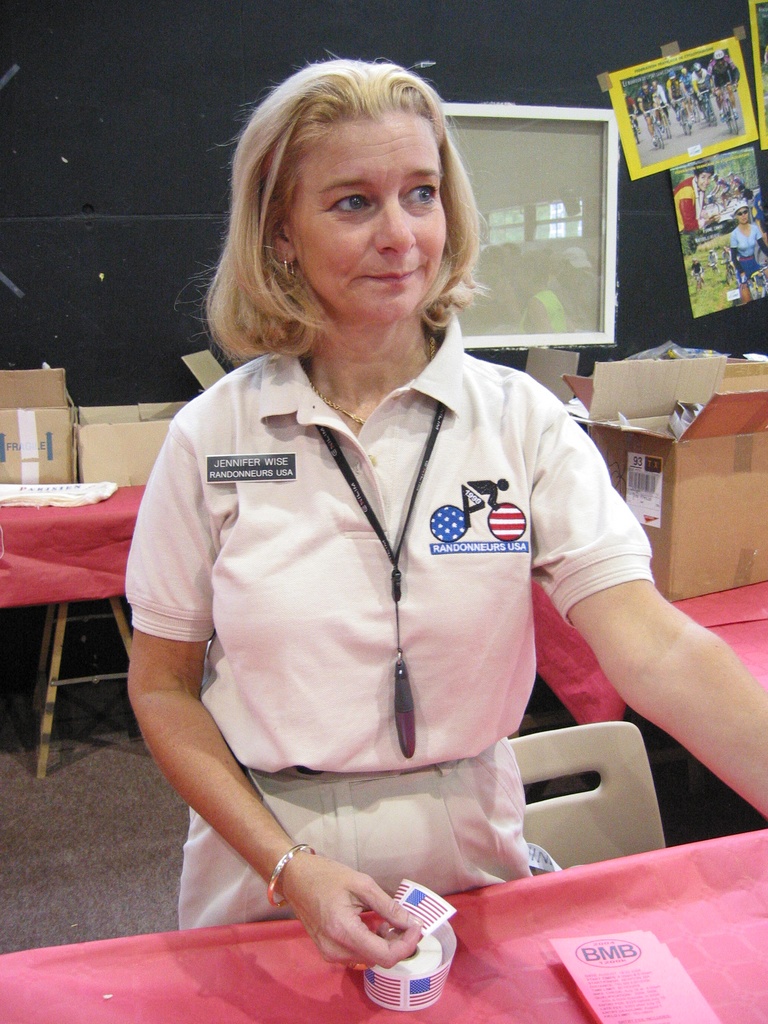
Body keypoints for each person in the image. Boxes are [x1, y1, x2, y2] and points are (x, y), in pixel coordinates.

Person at [125, 58, 768, 973]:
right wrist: (289, 868)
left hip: (469, 846)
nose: (400, 235)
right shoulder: (212, 437)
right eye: (353, 202)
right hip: (265, 854)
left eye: (420, 194)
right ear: (280, 234)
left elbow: (654, 646)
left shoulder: (523, 422)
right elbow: (162, 687)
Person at [729, 203, 768, 284]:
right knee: (745, 288)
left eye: (745, 212)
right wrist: (741, 271)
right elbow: (733, 257)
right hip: (742, 264)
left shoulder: (754, 228)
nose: (743, 215)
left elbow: (763, 246)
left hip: (754, 261)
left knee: (764, 282)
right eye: (740, 214)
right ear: (736, 216)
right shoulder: (734, 234)